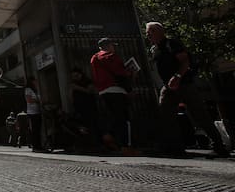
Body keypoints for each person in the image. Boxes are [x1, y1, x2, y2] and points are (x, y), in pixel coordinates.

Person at [145, 22, 228, 157]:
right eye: (147, 32)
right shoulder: (154, 49)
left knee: (200, 115)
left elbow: (185, 61)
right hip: (168, 87)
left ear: (161, 31)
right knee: (166, 115)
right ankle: (175, 147)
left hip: (184, 84)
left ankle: (219, 146)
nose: (148, 34)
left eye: (151, 31)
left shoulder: (172, 44)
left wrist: (177, 76)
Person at [90, 38, 132, 151]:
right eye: (112, 45)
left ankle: (108, 135)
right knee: (122, 118)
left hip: (103, 91)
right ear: (108, 46)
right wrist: (129, 73)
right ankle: (124, 145)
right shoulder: (110, 56)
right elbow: (120, 72)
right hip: (116, 89)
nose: (113, 47)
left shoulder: (94, 58)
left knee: (112, 116)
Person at [69, 67, 98, 141]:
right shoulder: (73, 84)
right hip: (79, 109)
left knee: (92, 125)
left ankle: (96, 142)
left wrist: (77, 88)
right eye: (73, 76)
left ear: (80, 74)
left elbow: (90, 91)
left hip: (89, 107)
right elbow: (71, 96)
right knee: (82, 127)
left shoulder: (87, 81)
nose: (75, 78)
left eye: (76, 76)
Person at [25, 77, 43, 151]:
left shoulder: (36, 90)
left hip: (38, 111)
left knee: (38, 129)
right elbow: (29, 100)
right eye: (35, 81)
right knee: (35, 129)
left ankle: (38, 145)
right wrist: (37, 100)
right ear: (32, 82)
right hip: (32, 112)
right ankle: (35, 146)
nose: (36, 82)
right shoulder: (28, 90)